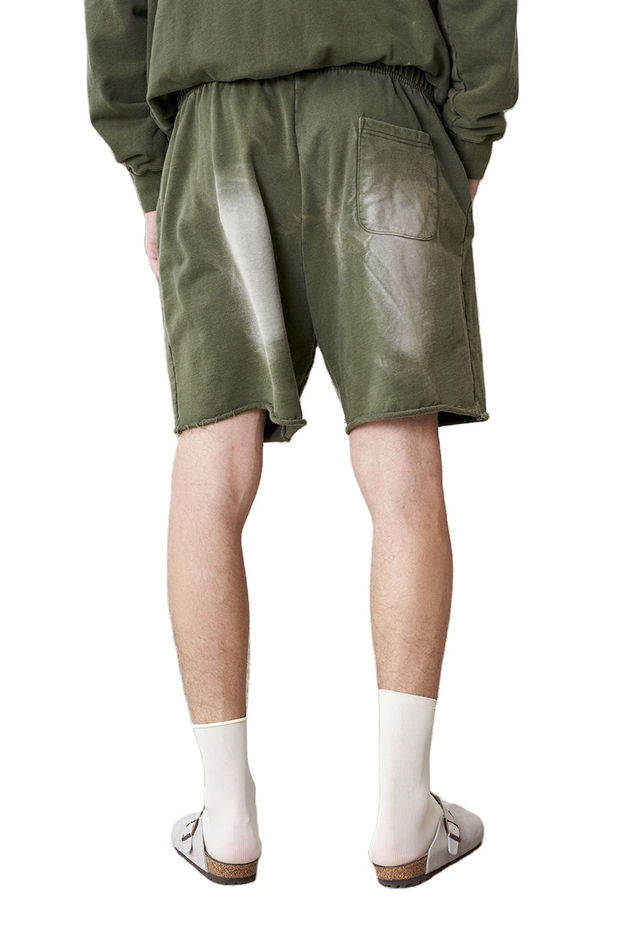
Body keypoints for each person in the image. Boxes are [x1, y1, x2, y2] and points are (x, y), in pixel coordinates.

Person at [84, 0, 518, 887]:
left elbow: (113, 11)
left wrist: (151, 170)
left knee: (211, 467)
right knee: (399, 462)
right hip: (380, 109)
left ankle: (228, 818)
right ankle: (404, 814)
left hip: (213, 124)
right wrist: (469, 134)